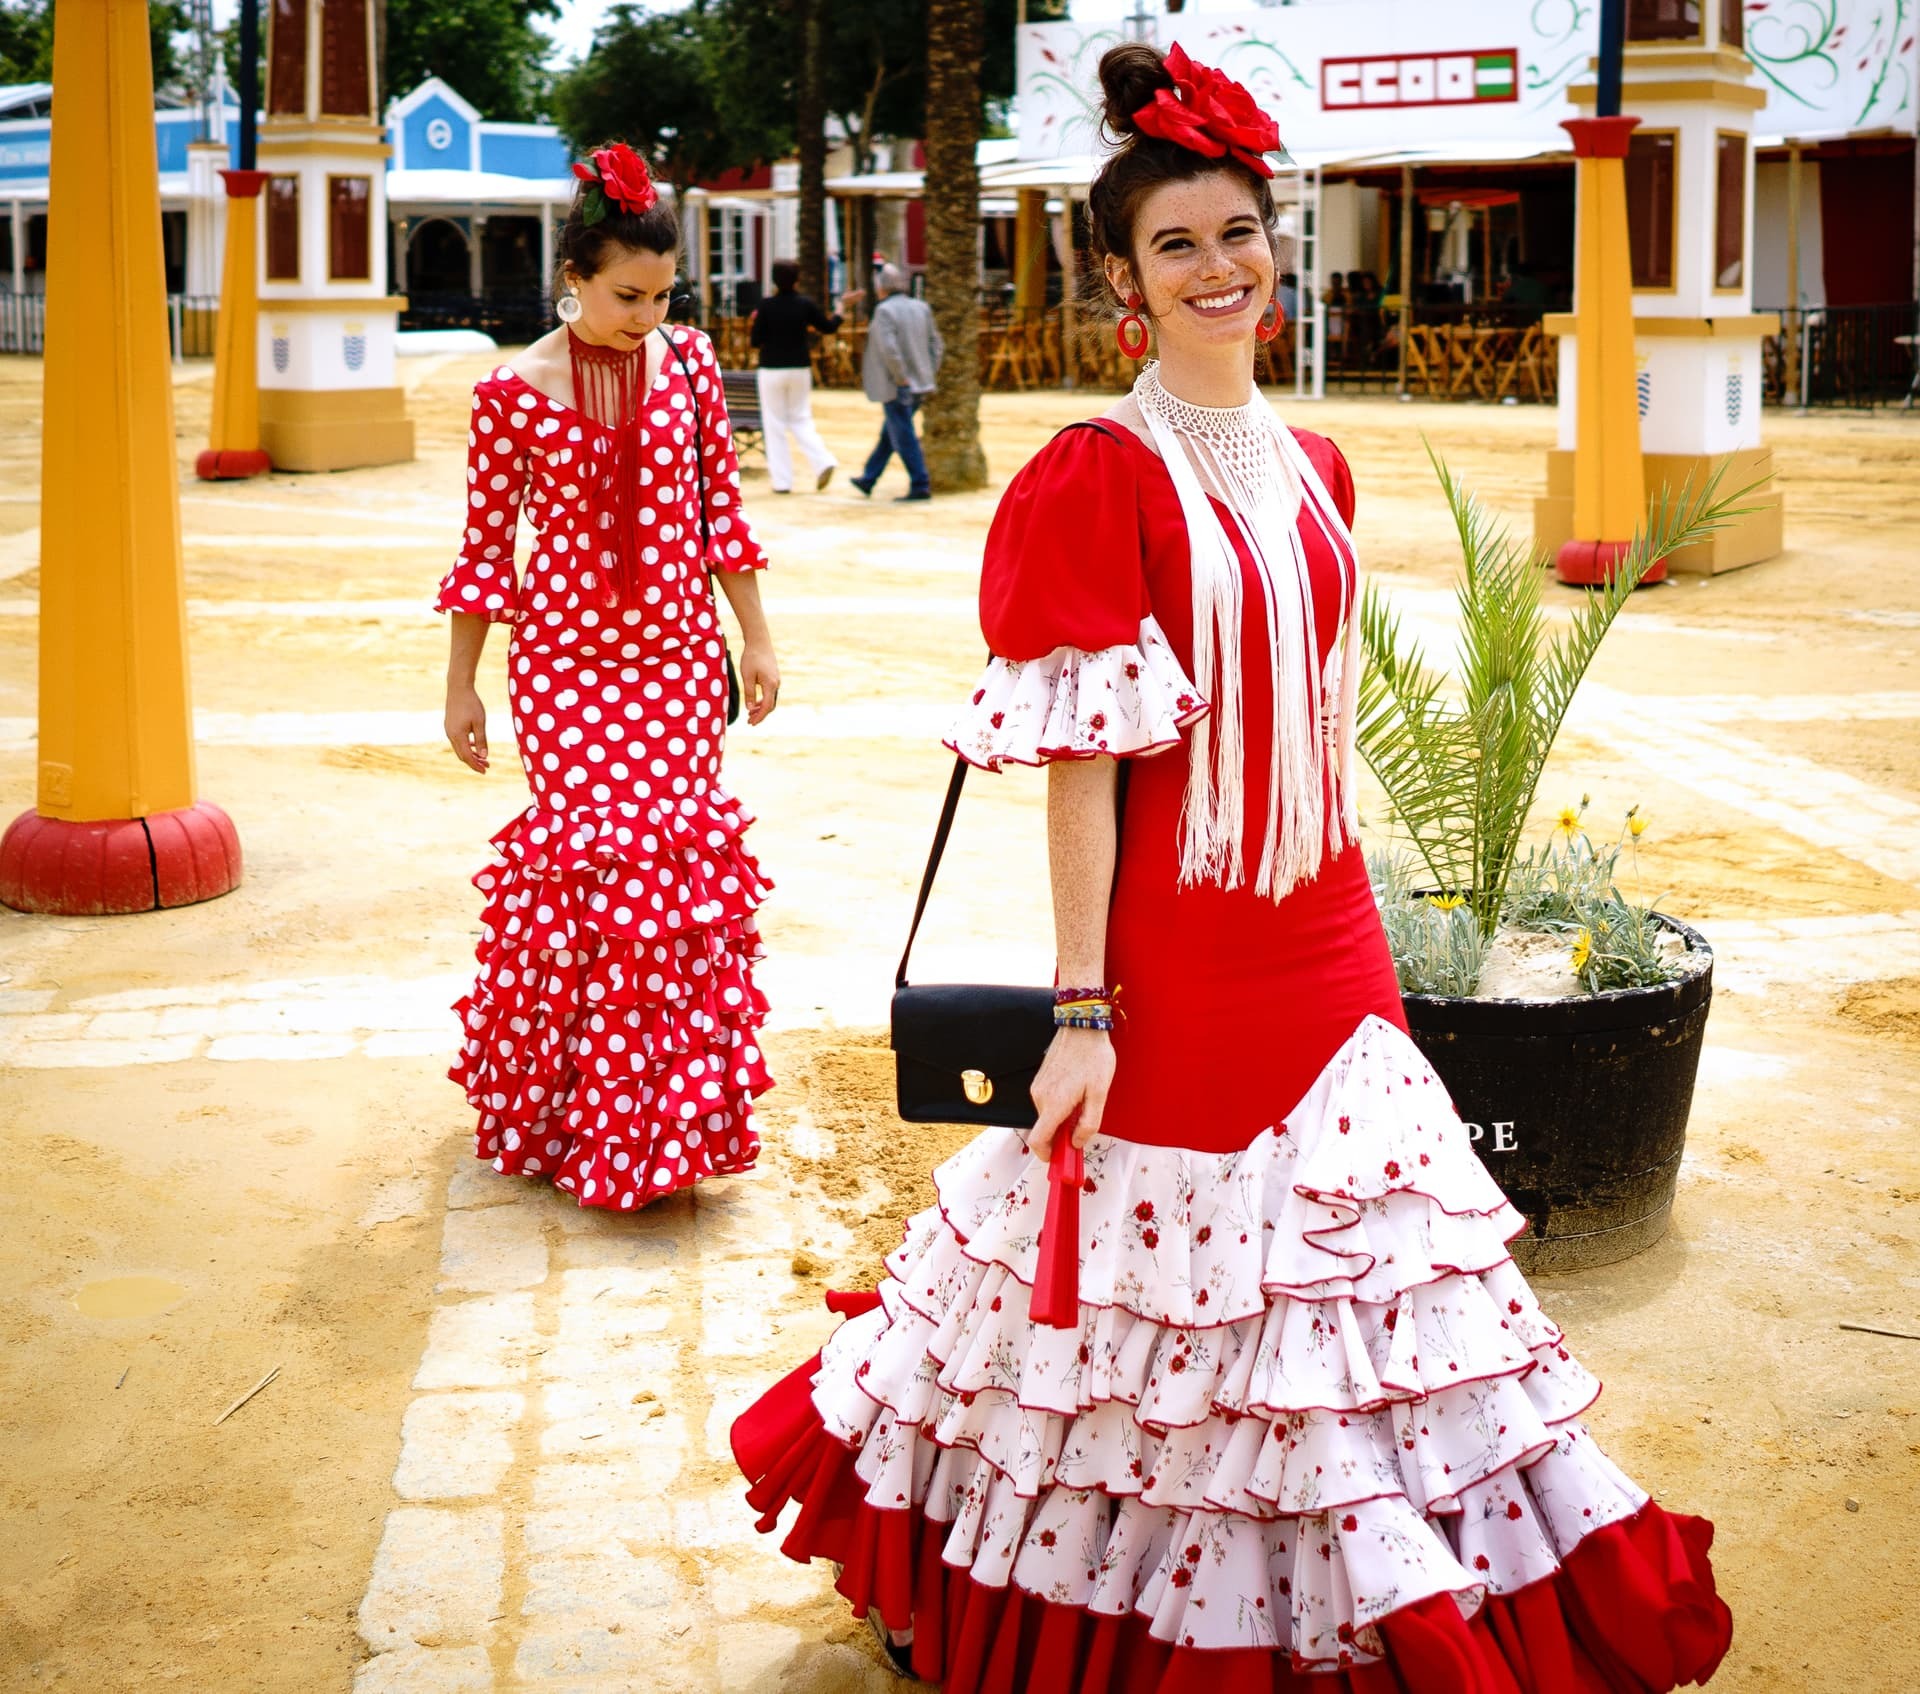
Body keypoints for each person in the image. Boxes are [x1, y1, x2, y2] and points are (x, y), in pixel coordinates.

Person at [731, 42, 1731, 1691]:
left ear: (1277, 244)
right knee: (1162, 1317)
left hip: (1327, 936)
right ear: (1120, 279)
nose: (1220, 268)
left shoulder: (1322, 468)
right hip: (1167, 965)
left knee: (1351, 1290)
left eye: (1238, 234)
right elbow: (1082, 773)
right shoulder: (1092, 477)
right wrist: (1079, 1005)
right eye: (1176, 244)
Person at [436, 141, 781, 1212]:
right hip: (566, 672)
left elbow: (720, 513)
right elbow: (487, 548)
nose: (648, 314)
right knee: (590, 883)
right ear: (572, 278)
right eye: (627, 294)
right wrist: (463, 684)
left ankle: (670, 1119)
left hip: (679, 665)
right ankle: (571, 1113)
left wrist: (754, 637)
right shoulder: (511, 391)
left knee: (671, 883)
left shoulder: (686, 365)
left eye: (664, 293)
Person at [750, 259, 857, 494]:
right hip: (799, 366)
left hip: (771, 368)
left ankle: (782, 481)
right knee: (800, 418)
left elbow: (755, 341)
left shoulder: (766, 306)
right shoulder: (804, 304)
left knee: (774, 423)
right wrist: (841, 309)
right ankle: (823, 460)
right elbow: (829, 327)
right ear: (797, 280)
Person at [851, 264, 942, 502]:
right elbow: (937, 345)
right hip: (920, 383)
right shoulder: (921, 307)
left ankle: (920, 483)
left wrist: (901, 376)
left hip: (898, 384)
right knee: (892, 431)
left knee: (903, 434)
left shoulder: (884, 311)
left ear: (881, 289)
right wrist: (928, 372)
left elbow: (889, 349)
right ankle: (869, 478)